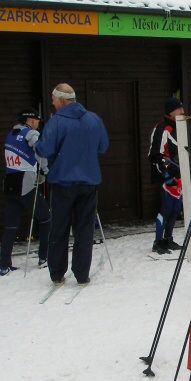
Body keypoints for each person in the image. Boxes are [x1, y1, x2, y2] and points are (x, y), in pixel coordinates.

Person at [33, 83, 109, 286]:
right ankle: (82, 274)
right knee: (84, 229)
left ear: (61, 100)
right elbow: (103, 146)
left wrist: (36, 143)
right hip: (88, 182)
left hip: (63, 182)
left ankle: (57, 273)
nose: (52, 103)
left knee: (59, 228)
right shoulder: (93, 119)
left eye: (53, 100)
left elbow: (45, 150)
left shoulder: (56, 122)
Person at [0, 108, 51, 276]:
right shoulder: (31, 134)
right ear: (31, 120)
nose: (38, 123)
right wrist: (44, 171)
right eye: (37, 120)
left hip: (10, 183)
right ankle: (44, 258)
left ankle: (4, 264)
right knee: (46, 218)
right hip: (26, 183)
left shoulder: (10, 134)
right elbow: (41, 151)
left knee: (10, 226)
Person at [148, 97, 184, 254]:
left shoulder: (180, 127)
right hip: (166, 177)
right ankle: (158, 241)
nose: (182, 111)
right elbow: (155, 155)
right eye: (179, 109)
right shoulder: (162, 128)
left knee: (175, 209)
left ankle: (168, 239)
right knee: (166, 209)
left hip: (179, 176)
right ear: (171, 111)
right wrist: (166, 175)